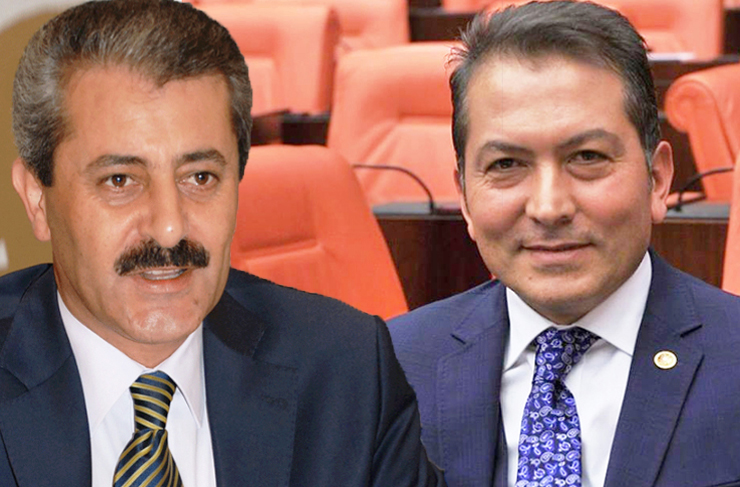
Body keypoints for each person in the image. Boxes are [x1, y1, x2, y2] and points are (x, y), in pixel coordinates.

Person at [0, 1, 445, 486]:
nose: (169, 229)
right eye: (120, 180)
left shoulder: (346, 371)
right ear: (37, 200)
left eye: (200, 177)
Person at [389, 2, 740, 487]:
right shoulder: (391, 367)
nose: (549, 207)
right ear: (465, 197)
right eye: (506, 165)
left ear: (658, 181)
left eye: (587, 157)